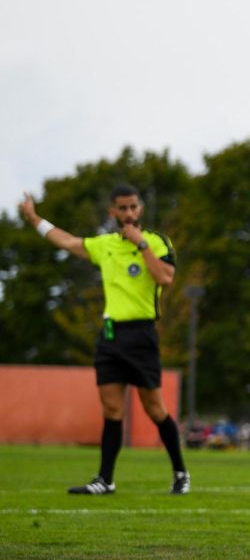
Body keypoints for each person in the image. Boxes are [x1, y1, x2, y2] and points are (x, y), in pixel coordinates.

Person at [19, 186, 189, 494]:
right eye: (121, 208)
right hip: (111, 336)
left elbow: (165, 277)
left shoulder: (156, 242)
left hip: (142, 334)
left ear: (140, 209)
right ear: (112, 212)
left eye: (133, 207)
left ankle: (180, 472)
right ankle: (105, 480)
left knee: (154, 409)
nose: (128, 213)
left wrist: (141, 247)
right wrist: (34, 219)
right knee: (112, 410)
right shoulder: (105, 245)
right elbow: (68, 241)